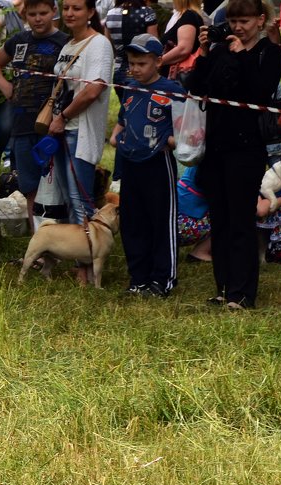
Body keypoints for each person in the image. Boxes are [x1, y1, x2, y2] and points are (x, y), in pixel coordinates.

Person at [186, 0, 281, 309]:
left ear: (260, 20)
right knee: (221, 219)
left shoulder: (268, 52)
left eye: (245, 20)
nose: (238, 26)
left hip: (246, 147)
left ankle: (243, 293)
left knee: (241, 220)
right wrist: (201, 53)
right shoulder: (219, 50)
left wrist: (242, 56)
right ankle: (223, 287)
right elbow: (197, 88)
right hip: (215, 145)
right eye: (234, 20)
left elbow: (259, 92)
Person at [110, 34, 182, 296]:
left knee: (160, 220)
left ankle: (162, 279)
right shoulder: (129, 87)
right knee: (132, 221)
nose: (135, 69)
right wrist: (116, 134)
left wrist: (170, 141)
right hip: (131, 161)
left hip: (157, 163)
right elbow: (124, 117)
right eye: (132, 63)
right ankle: (138, 278)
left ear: (158, 61)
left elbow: (187, 130)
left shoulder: (172, 90)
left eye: (142, 63)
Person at [0, 0, 68, 222]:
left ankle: (63, 234)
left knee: (57, 184)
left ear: (53, 12)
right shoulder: (18, 41)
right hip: (22, 124)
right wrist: (5, 86)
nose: (38, 18)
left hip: (52, 126)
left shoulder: (64, 42)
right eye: (33, 14)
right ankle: (38, 237)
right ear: (25, 15)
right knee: (30, 186)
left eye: (43, 13)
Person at [49, 0, 113, 226]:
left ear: (91, 12)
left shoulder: (99, 44)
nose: (69, 13)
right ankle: (76, 253)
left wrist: (63, 117)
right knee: (67, 197)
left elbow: (93, 90)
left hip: (79, 131)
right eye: (66, 8)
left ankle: (88, 256)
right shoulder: (68, 45)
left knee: (80, 199)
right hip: (60, 128)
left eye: (76, 8)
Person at [0, 0, 26, 169]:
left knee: (6, 127)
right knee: (4, 127)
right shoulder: (0, 12)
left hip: (9, 76)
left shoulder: (13, 12)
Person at [103, 0, 158, 96]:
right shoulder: (147, 12)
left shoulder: (110, 14)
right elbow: (153, 44)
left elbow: (108, 45)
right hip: (142, 70)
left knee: (125, 106)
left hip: (119, 70)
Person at [160, 0, 206, 84]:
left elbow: (183, 49)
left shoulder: (188, 16)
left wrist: (156, 62)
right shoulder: (185, 15)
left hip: (177, 79)